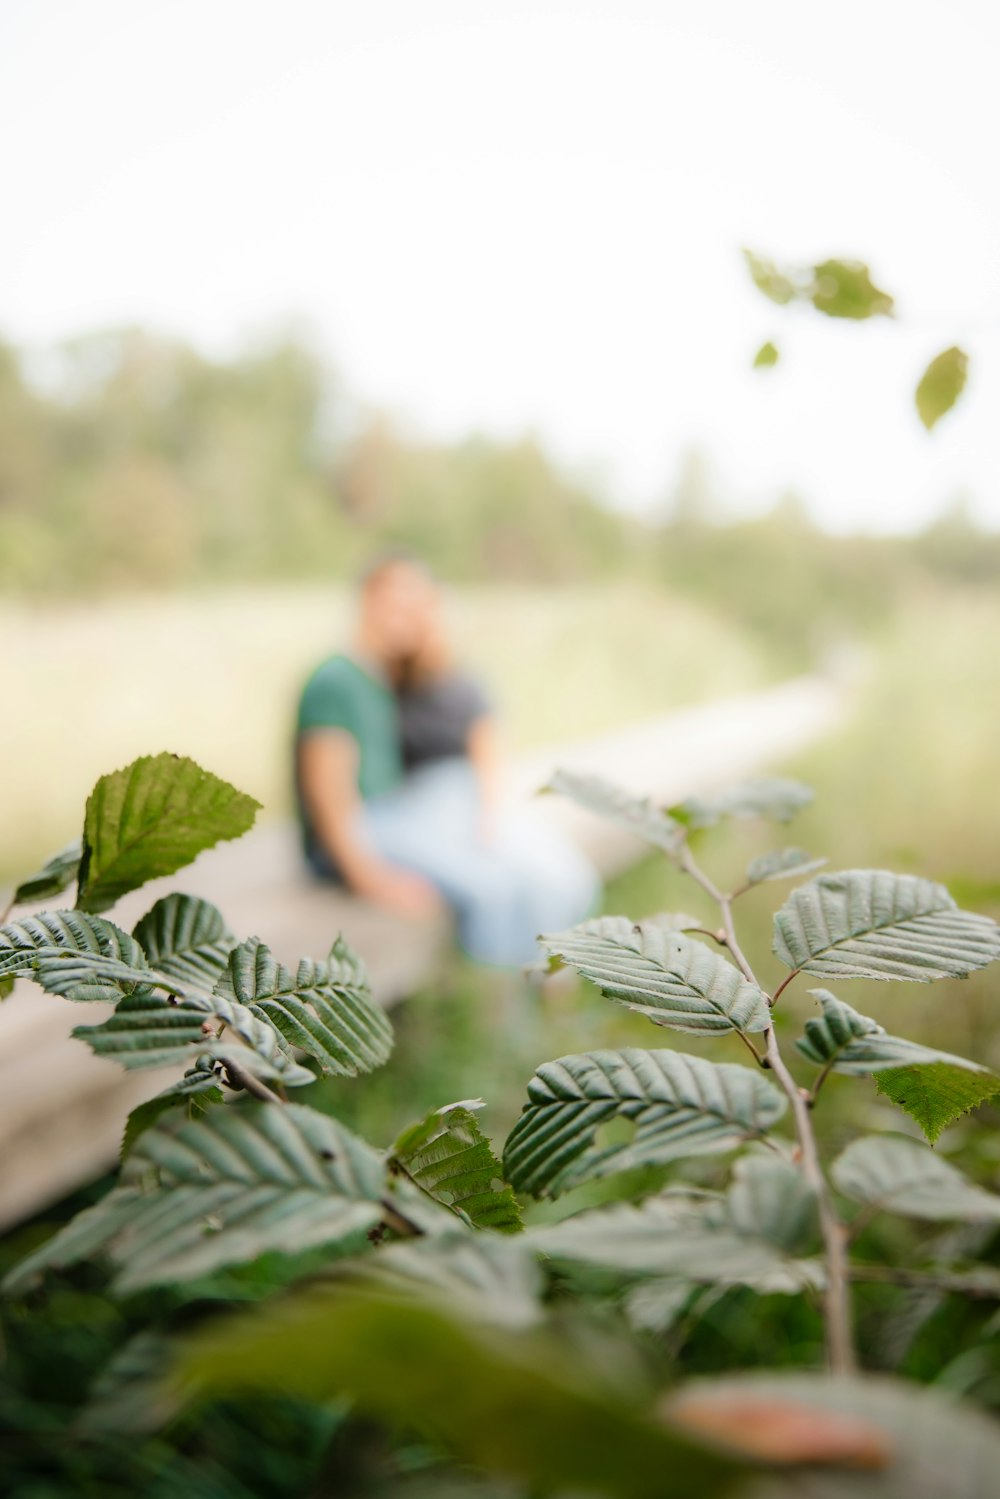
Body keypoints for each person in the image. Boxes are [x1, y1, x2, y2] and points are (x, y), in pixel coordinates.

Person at [295, 554, 599, 965]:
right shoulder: (336, 678)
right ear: (368, 600)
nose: (407, 615)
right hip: (364, 835)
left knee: (536, 878)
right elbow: (329, 796)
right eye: (396, 602)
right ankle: (493, 1002)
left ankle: (527, 987)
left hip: (400, 820)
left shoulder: (381, 677)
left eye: (416, 604)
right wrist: (373, 881)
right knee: (487, 889)